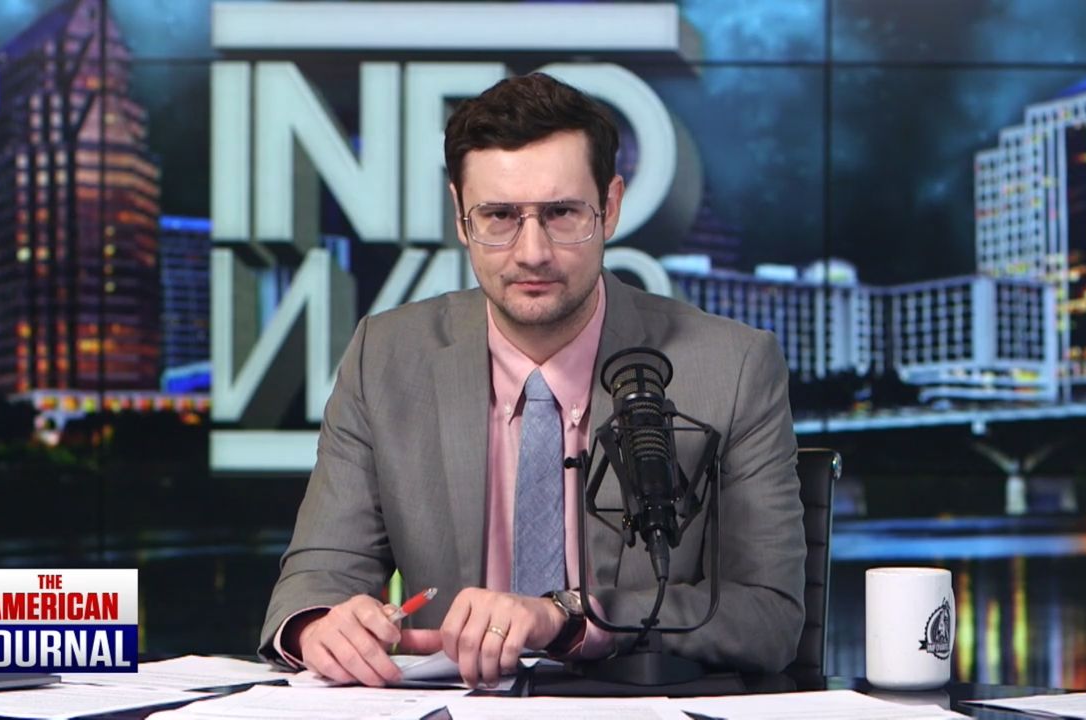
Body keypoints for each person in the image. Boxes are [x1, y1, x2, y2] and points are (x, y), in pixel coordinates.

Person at [258, 72, 805, 688]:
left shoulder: (733, 366)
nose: (532, 252)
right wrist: (319, 626)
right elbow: (318, 574)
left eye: (562, 213)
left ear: (611, 207)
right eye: (499, 216)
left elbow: (768, 616)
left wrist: (569, 618)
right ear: (461, 218)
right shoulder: (383, 356)